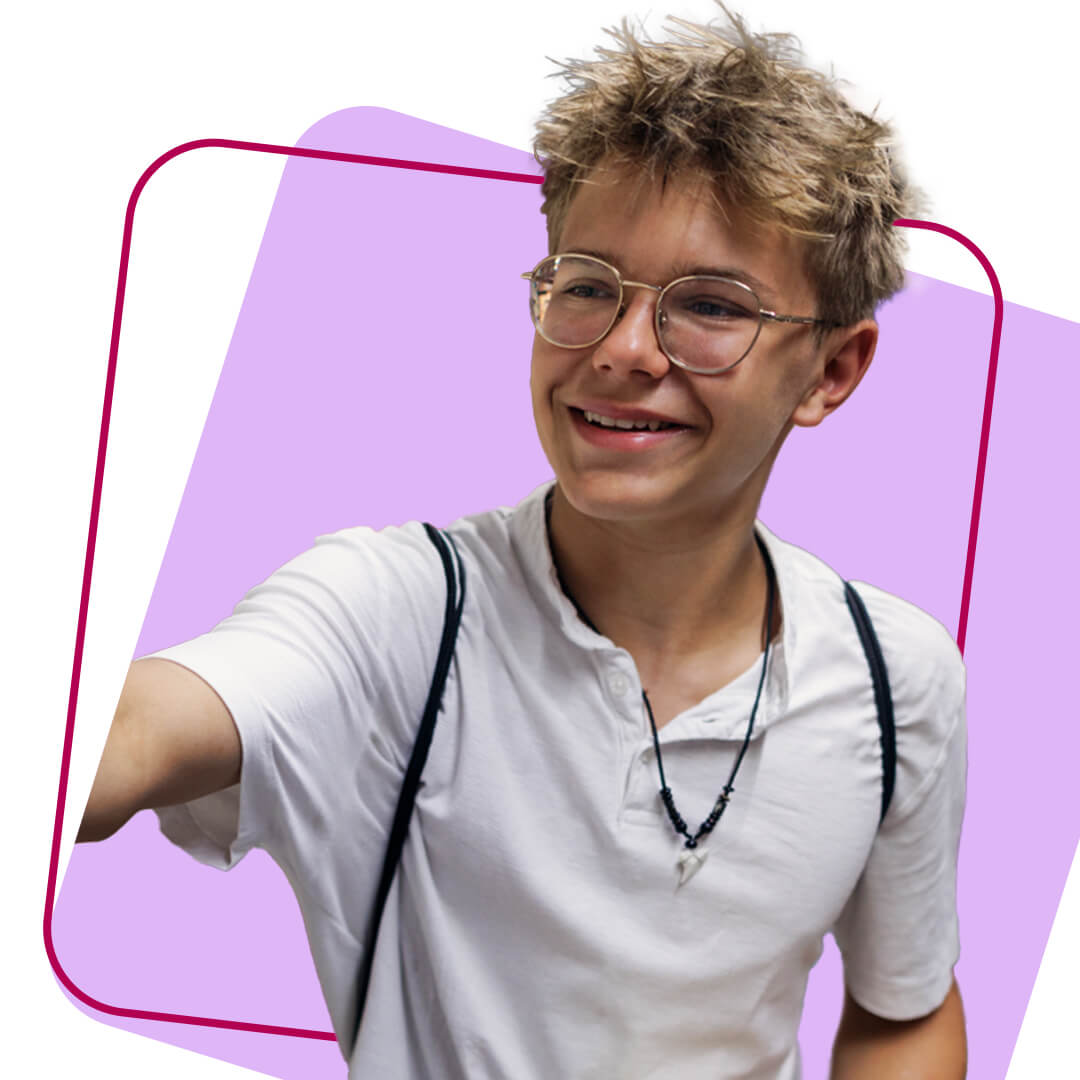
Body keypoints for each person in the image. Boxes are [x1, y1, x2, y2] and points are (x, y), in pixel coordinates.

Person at [78, 6, 968, 1078]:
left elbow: (904, 1010)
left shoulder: (895, 676)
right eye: (587, 285)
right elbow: (118, 740)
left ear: (833, 370)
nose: (626, 350)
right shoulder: (396, 611)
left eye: (710, 306)